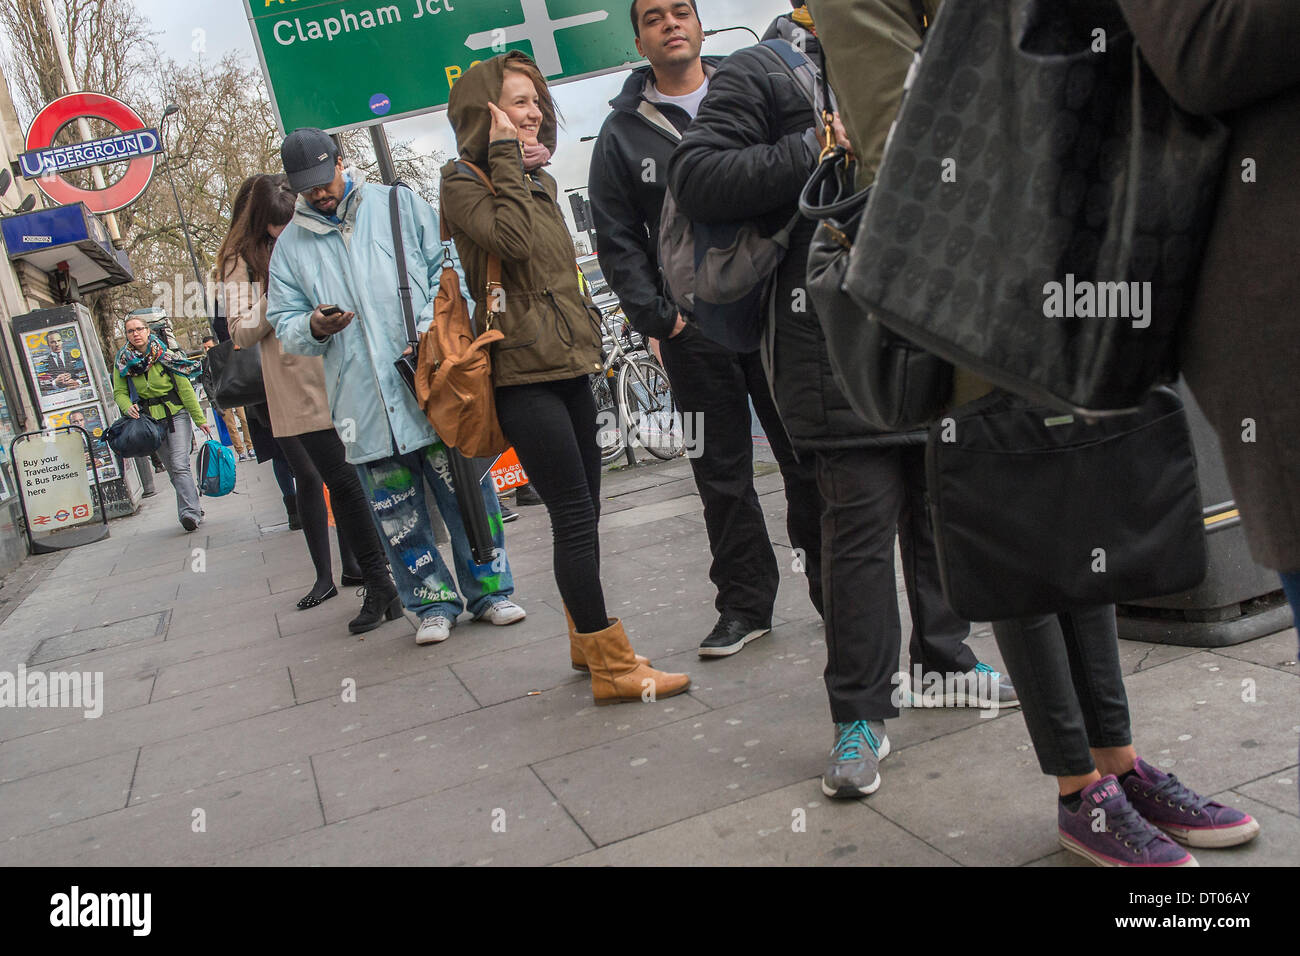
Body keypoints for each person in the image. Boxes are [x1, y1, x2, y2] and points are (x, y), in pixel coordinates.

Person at [807, 0, 1262, 863]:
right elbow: (907, 142)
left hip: (1064, 273)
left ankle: (1119, 766)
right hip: (977, 300)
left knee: (1083, 528)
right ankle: (1075, 789)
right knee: (1025, 542)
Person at [668, 1, 1014, 797]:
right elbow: (696, 175)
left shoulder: (923, 42)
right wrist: (812, 148)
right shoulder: (762, 69)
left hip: (927, 320)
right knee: (855, 534)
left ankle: (946, 660)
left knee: (936, 516)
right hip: (828, 340)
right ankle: (860, 713)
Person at [440, 52, 689, 703]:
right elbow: (514, 245)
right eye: (517, 102)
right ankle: (611, 664)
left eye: (534, 101)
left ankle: (585, 642)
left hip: (573, 362)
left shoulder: (539, 179)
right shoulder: (463, 181)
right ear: (485, 112)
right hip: (521, 375)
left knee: (588, 512)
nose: (533, 112)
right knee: (573, 516)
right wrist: (503, 157)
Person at [588, 0, 825, 658]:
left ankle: (837, 594)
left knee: (806, 458)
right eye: (655, 16)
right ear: (639, 38)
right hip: (698, 332)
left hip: (779, 313)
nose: (671, 23)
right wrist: (663, 319)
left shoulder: (751, 88)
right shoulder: (621, 135)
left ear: (698, 23)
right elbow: (617, 243)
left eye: (681, 10)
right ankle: (745, 606)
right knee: (721, 475)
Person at [269, 129, 525, 646]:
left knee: (469, 496)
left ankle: (492, 591)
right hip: (360, 404)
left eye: (325, 179)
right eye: (307, 187)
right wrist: (313, 326)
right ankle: (431, 604)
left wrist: (434, 331)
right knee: (398, 517)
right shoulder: (289, 248)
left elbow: (445, 270)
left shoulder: (397, 206)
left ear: (343, 162)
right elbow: (284, 322)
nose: (319, 193)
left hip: (432, 385)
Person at [222, 173, 400, 633]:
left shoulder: (311, 232)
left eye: (288, 224)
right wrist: (275, 296)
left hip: (339, 369)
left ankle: (387, 577)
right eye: (276, 228)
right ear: (261, 223)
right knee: (341, 481)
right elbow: (239, 331)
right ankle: (379, 581)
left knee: (368, 474)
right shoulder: (239, 259)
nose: (284, 235)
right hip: (294, 385)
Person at [112, 314, 211, 531]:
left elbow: (185, 389)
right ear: (127, 336)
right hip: (149, 422)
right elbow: (118, 392)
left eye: (139, 329)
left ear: (148, 331)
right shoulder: (122, 361)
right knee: (171, 469)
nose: (135, 334)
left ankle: (189, 514)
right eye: (130, 331)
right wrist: (126, 405)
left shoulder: (165, 355)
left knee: (179, 464)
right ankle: (194, 504)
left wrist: (199, 419)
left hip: (176, 414)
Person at [199, 334, 253, 461]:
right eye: (205, 348)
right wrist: (214, 402)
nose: (207, 350)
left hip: (235, 392)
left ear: (216, 345)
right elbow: (207, 384)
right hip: (221, 398)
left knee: (245, 420)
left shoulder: (227, 356)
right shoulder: (205, 363)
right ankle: (240, 451)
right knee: (231, 426)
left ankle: (250, 447)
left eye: (209, 347)